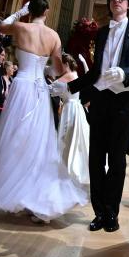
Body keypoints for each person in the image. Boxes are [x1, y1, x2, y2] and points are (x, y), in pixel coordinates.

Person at [51, 0, 129, 233]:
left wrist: (125, 73)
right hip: (100, 102)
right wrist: (71, 88)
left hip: (123, 104)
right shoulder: (103, 33)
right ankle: (99, 213)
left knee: (117, 162)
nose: (116, 0)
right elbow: (95, 72)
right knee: (96, 160)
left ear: (128, 4)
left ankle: (112, 213)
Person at [0, 0, 87, 223]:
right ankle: (33, 195)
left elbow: (1, 25)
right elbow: (60, 70)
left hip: (21, 87)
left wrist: (20, 11)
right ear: (48, 12)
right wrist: (47, 69)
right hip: (39, 89)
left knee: (16, 139)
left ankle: (19, 192)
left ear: (31, 10)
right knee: (39, 142)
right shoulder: (54, 36)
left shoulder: (21, 27)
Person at [56, 53, 90, 184]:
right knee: (76, 137)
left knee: (67, 136)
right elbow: (88, 76)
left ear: (65, 64)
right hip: (77, 108)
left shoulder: (68, 76)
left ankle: (68, 166)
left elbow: (52, 86)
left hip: (70, 108)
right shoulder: (76, 74)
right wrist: (85, 63)